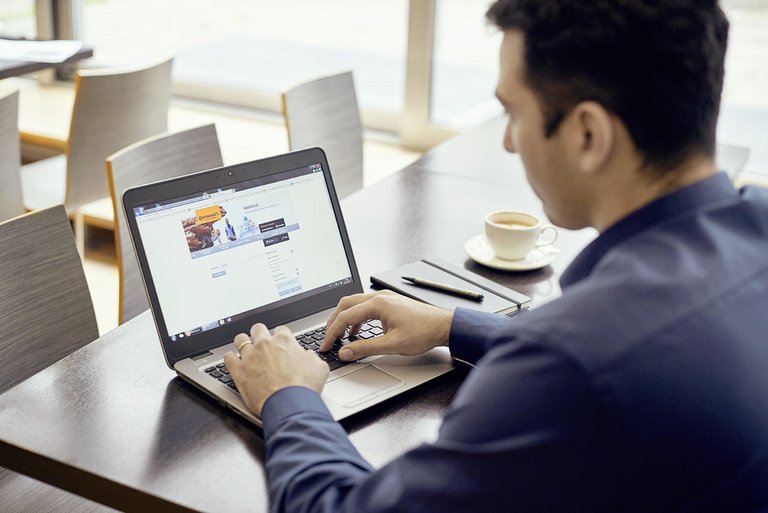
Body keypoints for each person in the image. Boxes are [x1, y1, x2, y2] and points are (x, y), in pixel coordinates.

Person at [224, 1, 768, 511]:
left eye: (513, 112)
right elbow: (636, 362)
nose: (509, 143)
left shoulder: (566, 365)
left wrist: (289, 396)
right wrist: (452, 326)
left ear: (587, 133)